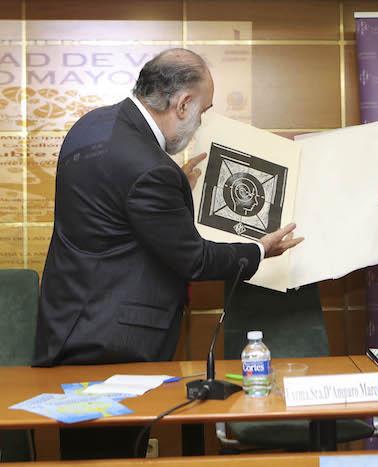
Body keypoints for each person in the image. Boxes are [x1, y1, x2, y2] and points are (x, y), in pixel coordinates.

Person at [32, 48, 302, 458]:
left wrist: (172, 186)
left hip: (70, 324)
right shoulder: (149, 168)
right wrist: (259, 250)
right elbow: (193, 260)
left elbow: (114, 206)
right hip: (113, 343)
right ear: (183, 103)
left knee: (84, 454)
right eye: (203, 111)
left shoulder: (92, 125)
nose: (200, 123)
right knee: (111, 456)